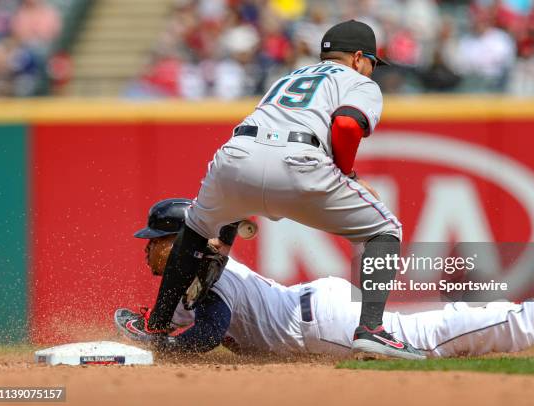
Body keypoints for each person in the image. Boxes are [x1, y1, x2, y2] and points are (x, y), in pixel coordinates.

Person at [116, 20, 424, 359]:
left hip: (236, 155)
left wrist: (227, 232)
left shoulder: (288, 77)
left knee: (193, 229)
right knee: (385, 230)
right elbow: (348, 124)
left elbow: (265, 147)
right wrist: (346, 173)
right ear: (356, 58)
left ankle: (156, 325)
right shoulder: (357, 81)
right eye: (371, 62)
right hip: (300, 163)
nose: (371, 70)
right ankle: (371, 330)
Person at [115, 198, 534, 358]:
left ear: (178, 241)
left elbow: (212, 327)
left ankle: (532, 316)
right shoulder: (199, 270)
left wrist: (167, 347)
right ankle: (527, 315)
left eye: (156, 239)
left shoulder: (203, 274)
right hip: (313, 305)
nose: (147, 246)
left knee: (421, 339)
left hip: (313, 324)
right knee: (416, 327)